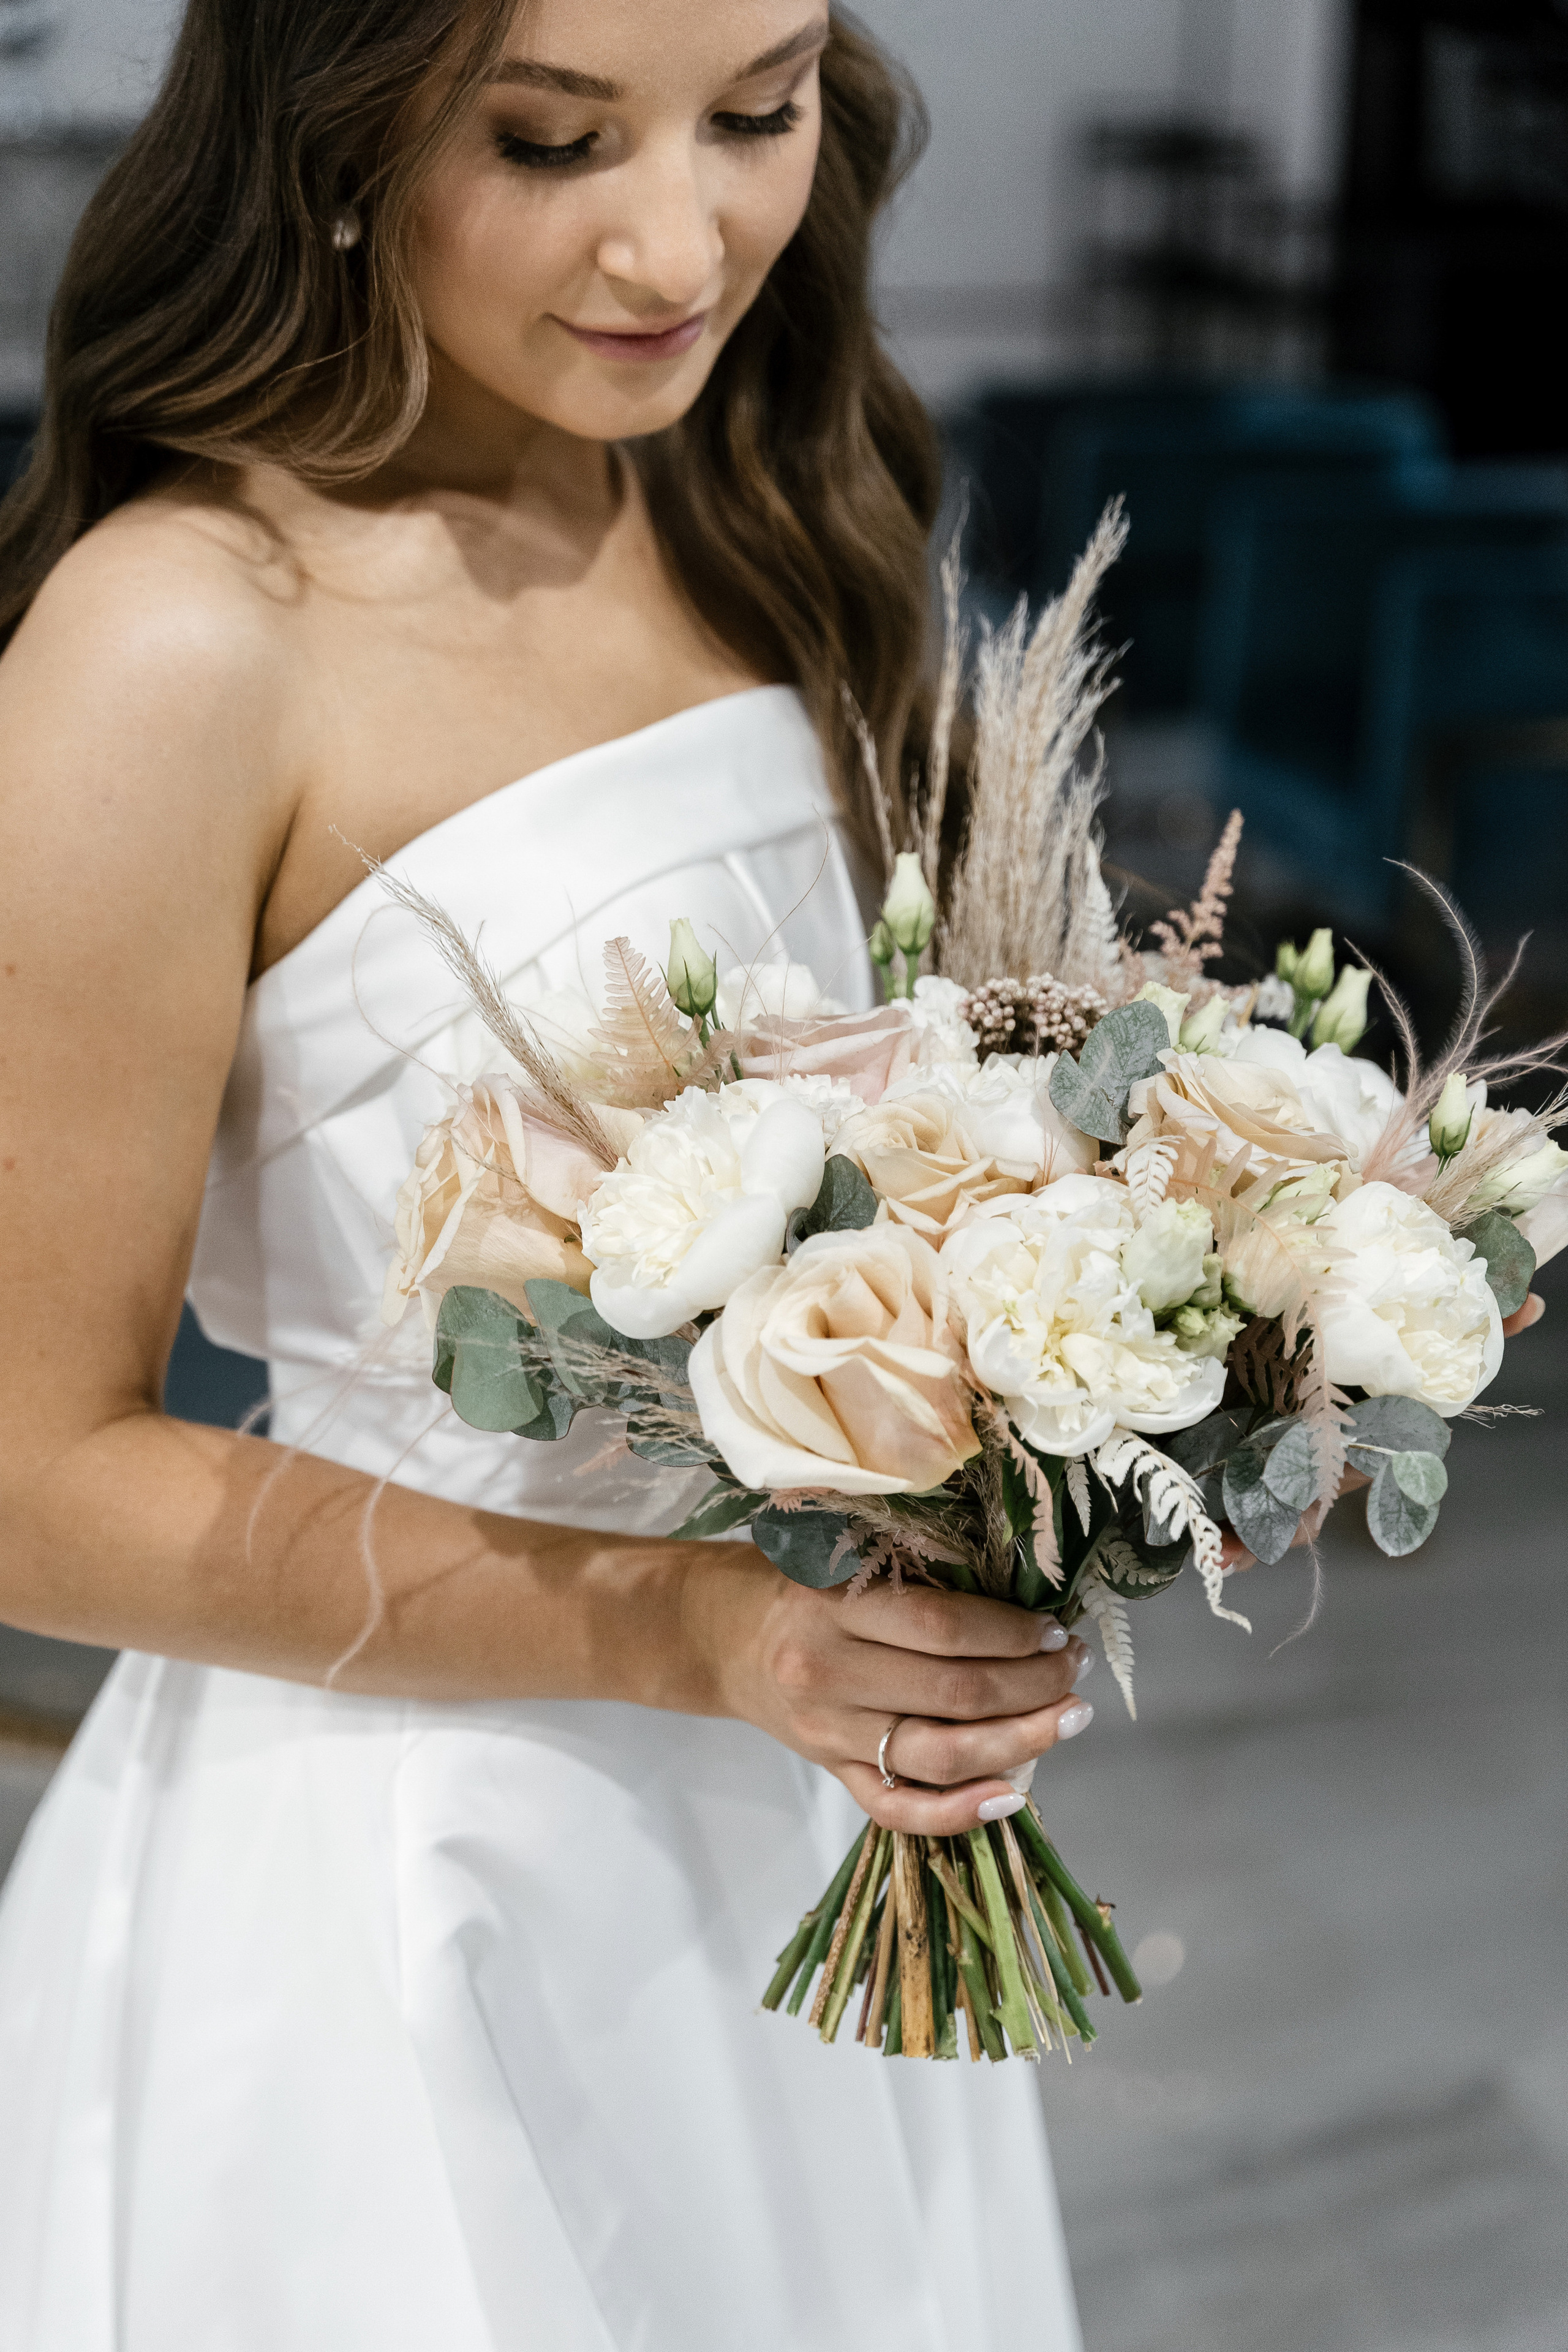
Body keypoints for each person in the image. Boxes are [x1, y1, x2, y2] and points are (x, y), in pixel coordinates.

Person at [0, 3, 1090, 2344]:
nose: (681, 239)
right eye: (550, 138)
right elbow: (23, 1475)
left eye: (762, 113)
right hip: (422, 1858)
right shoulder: (181, 644)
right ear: (334, 115)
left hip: (802, 1802)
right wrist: (717, 1637)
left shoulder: (759, 501)